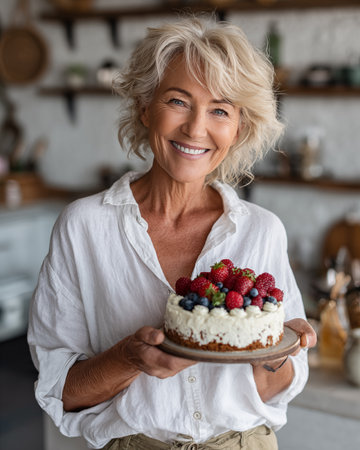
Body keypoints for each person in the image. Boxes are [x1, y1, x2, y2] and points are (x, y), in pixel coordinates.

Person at [28, 15, 316, 450]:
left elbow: (278, 388)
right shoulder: (83, 227)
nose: (196, 128)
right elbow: (62, 392)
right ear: (145, 106)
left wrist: (275, 359)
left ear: (238, 127)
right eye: (179, 101)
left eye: (220, 110)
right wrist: (128, 358)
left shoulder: (262, 230)